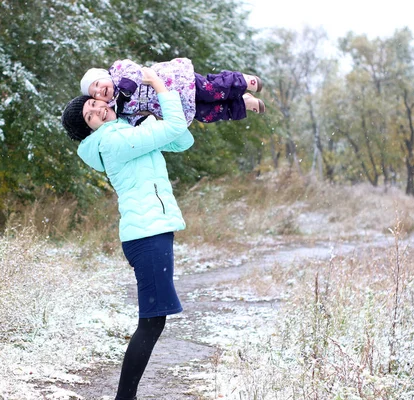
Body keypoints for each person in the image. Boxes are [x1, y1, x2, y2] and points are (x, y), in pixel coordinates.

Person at [62, 67, 193, 400]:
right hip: (146, 236)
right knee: (152, 320)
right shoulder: (114, 141)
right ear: (89, 130)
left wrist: (151, 116)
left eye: (94, 104)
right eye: (90, 117)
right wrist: (161, 86)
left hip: (153, 230)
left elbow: (181, 140)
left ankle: (126, 397)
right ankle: (124, 397)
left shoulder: (125, 131)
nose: (97, 109)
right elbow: (177, 126)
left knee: (154, 319)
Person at [79, 58, 265, 127]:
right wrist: (143, 124)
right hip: (175, 105)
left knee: (212, 91)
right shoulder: (117, 109)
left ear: (104, 75)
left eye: (97, 83)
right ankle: (245, 103)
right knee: (208, 115)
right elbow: (132, 119)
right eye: (94, 92)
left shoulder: (118, 72)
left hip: (180, 83)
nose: (99, 90)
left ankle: (242, 81)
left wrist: (127, 88)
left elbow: (133, 70)